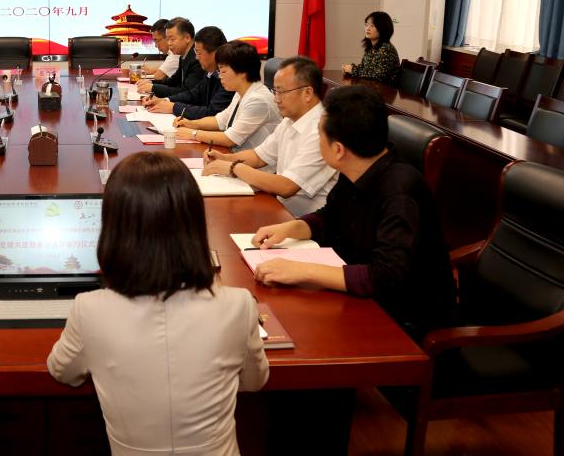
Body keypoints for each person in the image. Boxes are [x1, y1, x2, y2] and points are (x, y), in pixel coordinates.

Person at [47, 152, 268, 456]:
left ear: (113, 228)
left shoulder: (89, 309)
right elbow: (254, 381)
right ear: (194, 224)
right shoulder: (239, 305)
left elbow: (62, 371)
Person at [251, 86, 455, 338]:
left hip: (404, 322)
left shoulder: (400, 192)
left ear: (338, 149)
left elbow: (386, 276)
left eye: (319, 134)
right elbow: (332, 216)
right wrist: (292, 228)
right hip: (359, 295)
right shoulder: (357, 168)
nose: (317, 140)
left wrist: (302, 270)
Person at [204, 56, 337, 216]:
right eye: (275, 91)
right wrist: (225, 158)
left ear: (307, 93)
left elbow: (286, 186)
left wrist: (234, 167)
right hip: (281, 209)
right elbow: (259, 156)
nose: (276, 99)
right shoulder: (289, 120)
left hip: (306, 221)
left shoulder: (320, 130)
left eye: (282, 92)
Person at [177, 40, 281, 152]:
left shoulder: (258, 100)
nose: (219, 76)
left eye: (223, 72)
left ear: (242, 72)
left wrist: (193, 133)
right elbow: (220, 120)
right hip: (236, 155)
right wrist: (191, 124)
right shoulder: (241, 91)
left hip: (251, 161)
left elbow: (230, 139)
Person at [141, 25, 233, 118]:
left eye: (199, 53)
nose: (197, 57)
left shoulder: (228, 76)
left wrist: (174, 107)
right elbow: (194, 94)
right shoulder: (210, 71)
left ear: (216, 53)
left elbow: (213, 112)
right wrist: (165, 100)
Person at [135, 17, 204, 97]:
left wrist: (153, 88)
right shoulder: (183, 56)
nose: (169, 43)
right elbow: (173, 81)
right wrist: (151, 83)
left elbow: (187, 93)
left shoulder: (196, 58)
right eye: (167, 39)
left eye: (172, 39)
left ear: (187, 38)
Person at [341, 11, 400, 85]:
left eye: (372, 26)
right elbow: (365, 69)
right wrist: (349, 69)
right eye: (366, 25)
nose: (367, 29)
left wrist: (353, 70)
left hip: (385, 90)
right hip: (371, 87)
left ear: (382, 28)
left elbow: (377, 76)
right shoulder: (371, 47)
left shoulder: (386, 49)